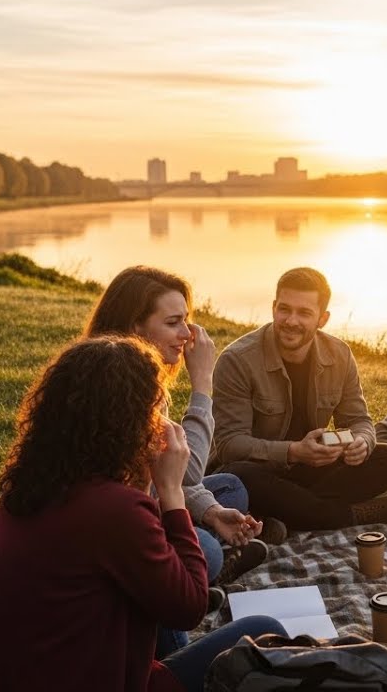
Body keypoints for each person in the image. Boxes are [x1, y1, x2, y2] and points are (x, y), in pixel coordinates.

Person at [0, 337, 285, 692]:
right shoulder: (116, 510)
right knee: (266, 631)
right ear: (129, 423)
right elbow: (189, 607)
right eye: (155, 411)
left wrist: (147, 479)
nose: (160, 422)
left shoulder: (27, 487)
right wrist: (171, 491)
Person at [83, 265, 279, 656]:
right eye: (173, 322)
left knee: (230, 489)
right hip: (126, 526)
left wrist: (210, 511)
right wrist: (203, 384)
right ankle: (206, 573)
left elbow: (171, 478)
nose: (187, 334)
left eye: (186, 320)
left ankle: (209, 563)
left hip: (146, 501)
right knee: (206, 549)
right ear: (135, 327)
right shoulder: (120, 392)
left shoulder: (139, 377)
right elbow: (185, 473)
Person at [211, 267, 387, 530]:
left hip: (308, 470)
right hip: (256, 471)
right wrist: (293, 452)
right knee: (238, 476)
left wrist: (362, 441)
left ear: (322, 319)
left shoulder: (339, 354)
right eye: (284, 309)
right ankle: (344, 516)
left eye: (304, 313)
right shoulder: (237, 360)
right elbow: (229, 445)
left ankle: (283, 515)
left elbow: (359, 420)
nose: (291, 321)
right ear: (273, 308)